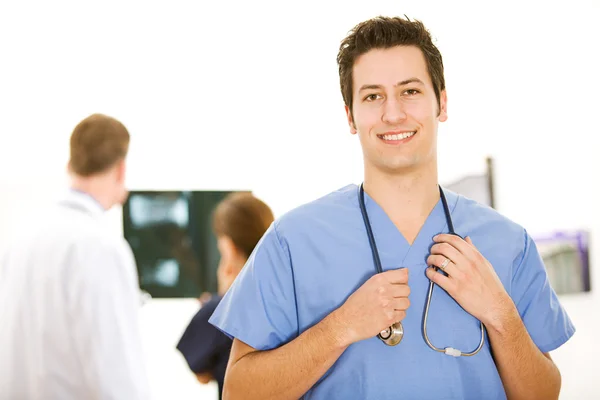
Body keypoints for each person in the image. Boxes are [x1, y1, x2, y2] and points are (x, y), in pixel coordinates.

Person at [208, 16, 575, 400]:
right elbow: (239, 393)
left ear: (442, 103)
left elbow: (544, 394)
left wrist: (500, 314)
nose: (393, 114)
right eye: (372, 96)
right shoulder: (293, 242)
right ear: (350, 115)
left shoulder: (507, 243)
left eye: (410, 91)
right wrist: (340, 328)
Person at [0, 114, 150, 399]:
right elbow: (118, 377)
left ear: (71, 165)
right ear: (121, 170)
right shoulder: (101, 247)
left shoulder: (21, 238)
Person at [176, 192, 274, 400]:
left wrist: (221, 298)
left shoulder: (219, 310)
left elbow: (201, 375)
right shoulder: (285, 301)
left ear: (228, 247)